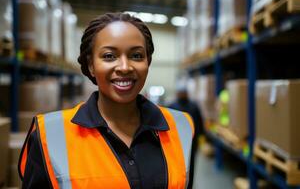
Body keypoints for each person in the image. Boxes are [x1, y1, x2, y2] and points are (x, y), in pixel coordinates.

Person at [18, 12, 194, 189]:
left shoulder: (182, 126)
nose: (125, 67)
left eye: (137, 56)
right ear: (91, 65)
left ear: (148, 62)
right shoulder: (50, 134)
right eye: (109, 56)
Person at [168, 83, 204, 189]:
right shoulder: (171, 106)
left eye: (184, 93)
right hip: (175, 142)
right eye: (181, 93)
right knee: (177, 166)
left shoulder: (193, 106)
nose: (182, 94)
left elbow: (199, 123)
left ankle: (188, 185)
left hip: (191, 142)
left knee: (190, 166)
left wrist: (201, 137)